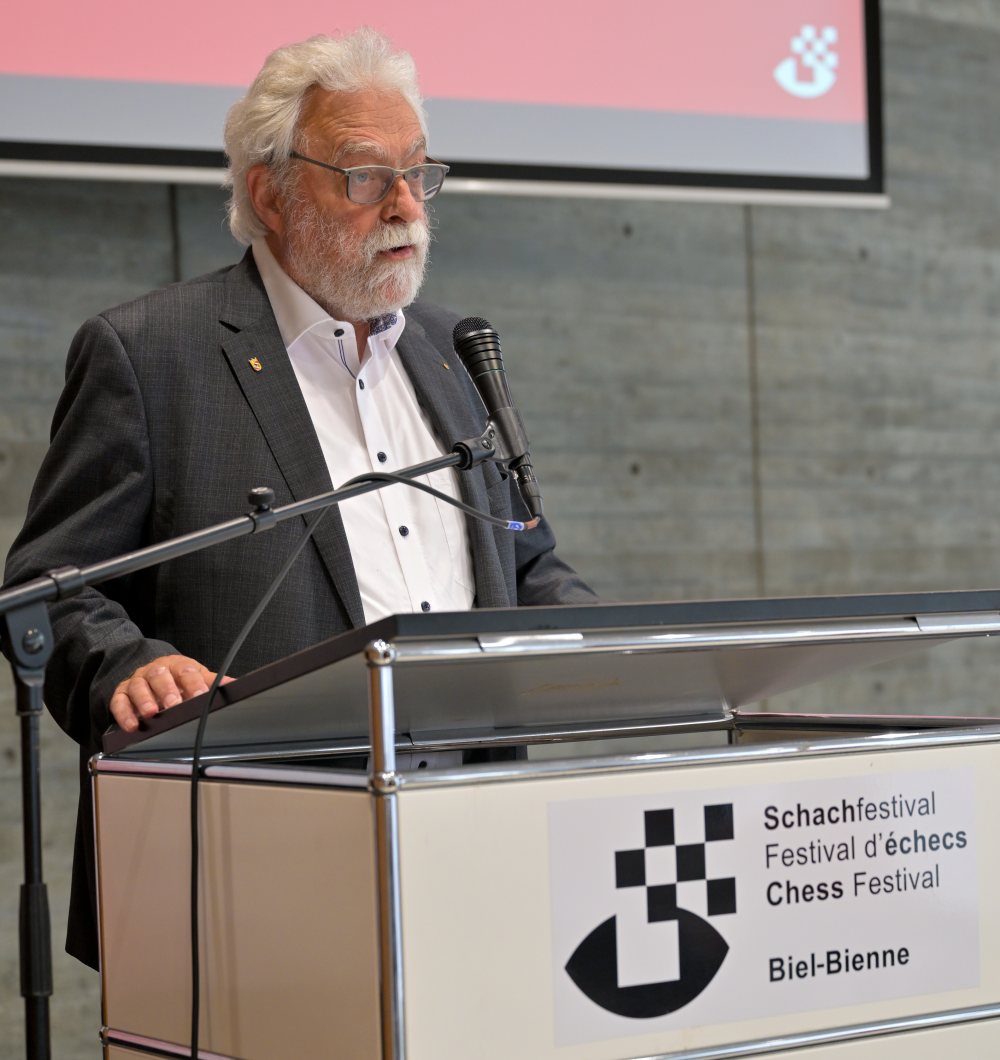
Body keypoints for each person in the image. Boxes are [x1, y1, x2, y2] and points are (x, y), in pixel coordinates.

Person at [3, 29, 595, 970]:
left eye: (417, 174)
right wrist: (125, 667)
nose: (405, 206)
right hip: (252, 860)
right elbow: (52, 586)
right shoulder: (152, 355)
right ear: (271, 194)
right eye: (366, 177)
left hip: (471, 841)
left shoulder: (453, 350)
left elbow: (522, 557)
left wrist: (615, 647)